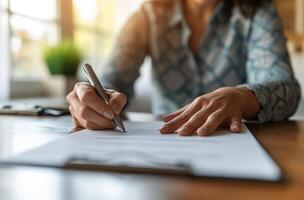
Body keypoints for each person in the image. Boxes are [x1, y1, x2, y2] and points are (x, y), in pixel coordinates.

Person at [66, 0, 301, 136]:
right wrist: (91, 101)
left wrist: (240, 97)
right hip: (163, 149)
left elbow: (287, 89)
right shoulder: (148, 16)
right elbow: (110, 83)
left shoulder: (258, 11)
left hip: (234, 144)